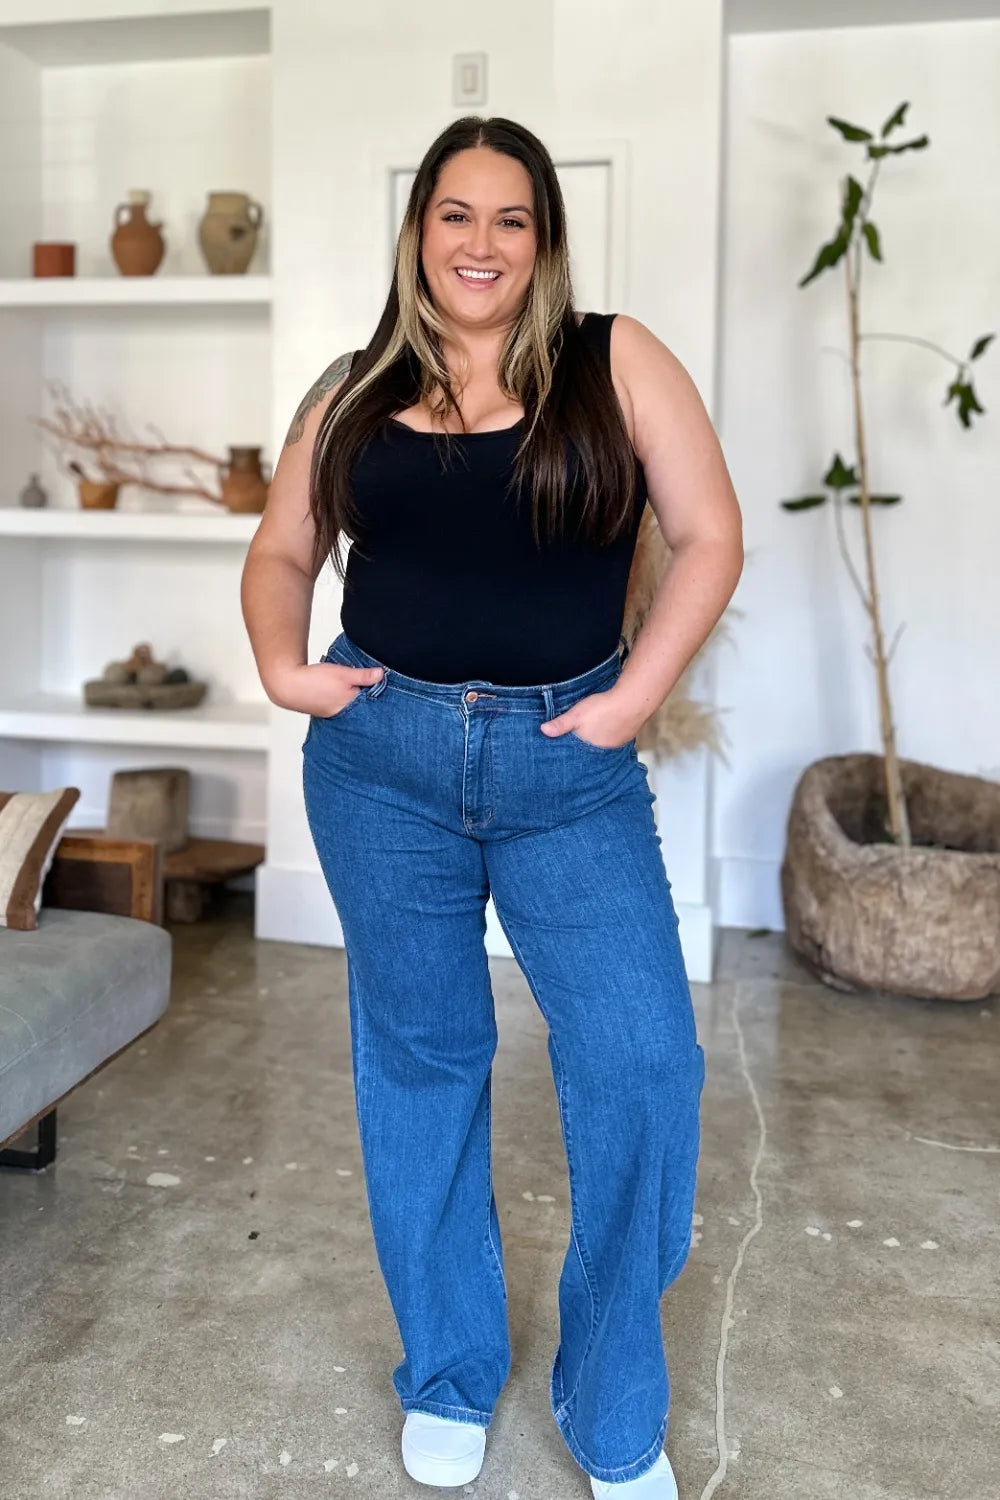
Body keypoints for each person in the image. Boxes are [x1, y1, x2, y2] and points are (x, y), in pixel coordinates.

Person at [241, 115, 743, 1499]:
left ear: (544, 240)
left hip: (564, 769)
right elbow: (285, 548)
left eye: (510, 219)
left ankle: (610, 1396)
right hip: (382, 762)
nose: (481, 243)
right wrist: (286, 667)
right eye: (455, 215)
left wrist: (635, 698)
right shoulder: (351, 391)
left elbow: (709, 533)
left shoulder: (613, 360)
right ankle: (453, 1368)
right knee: (423, 1059)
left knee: (641, 1062)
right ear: (418, 234)